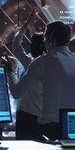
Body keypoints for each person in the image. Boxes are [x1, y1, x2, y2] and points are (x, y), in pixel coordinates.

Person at [4, 20, 75, 141]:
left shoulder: (41, 62)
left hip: (50, 131)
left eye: (45, 37)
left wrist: (10, 70)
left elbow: (16, 92)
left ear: (50, 40)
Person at [6, 9, 46, 140]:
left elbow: (16, 43)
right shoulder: (51, 66)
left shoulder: (30, 62)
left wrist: (25, 25)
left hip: (25, 117)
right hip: (42, 117)